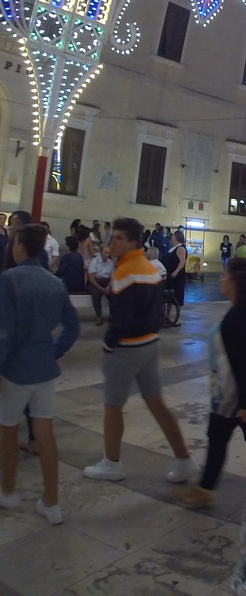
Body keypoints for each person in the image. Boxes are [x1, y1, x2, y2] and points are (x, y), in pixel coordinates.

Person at [82, 217, 200, 484]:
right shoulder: (148, 267)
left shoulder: (124, 271)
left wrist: (109, 343)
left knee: (113, 405)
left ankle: (111, 463)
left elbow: (121, 316)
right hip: (150, 344)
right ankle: (184, 460)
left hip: (127, 348)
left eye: (118, 238)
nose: (112, 243)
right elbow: (157, 311)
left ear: (133, 242)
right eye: (112, 238)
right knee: (157, 403)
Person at [0, 223, 80, 525]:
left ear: (20, 246)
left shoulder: (8, 280)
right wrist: (53, 351)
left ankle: (7, 490)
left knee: (7, 430)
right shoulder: (54, 282)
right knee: (45, 434)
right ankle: (52, 502)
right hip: (45, 369)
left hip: (15, 370)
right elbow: (71, 328)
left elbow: (4, 332)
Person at [181, 258, 246, 507]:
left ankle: (205, 489)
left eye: (225, 276)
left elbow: (241, 364)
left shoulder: (236, 318)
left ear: (237, 282)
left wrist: (245, 404)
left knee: (221, 436)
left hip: (235, 392)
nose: (221, 279)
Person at [159, 229, 187, 326]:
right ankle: (167, 316)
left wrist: (176, 271)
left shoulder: (180, 248)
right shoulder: (173, 248)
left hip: (176, 277)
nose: (171, 238)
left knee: (176, 295)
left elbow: (182, 261)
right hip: (170, 275)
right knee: (168, 296)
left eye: (173, 236)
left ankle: (177, 318)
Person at [86, 241, 114, 326]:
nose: (107, 255)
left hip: (106, 281)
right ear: (101, 252)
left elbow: (113, 277)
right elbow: (91, 278)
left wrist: (108, 286)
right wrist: (101, 289)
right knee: (96, 294)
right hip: (95, 281)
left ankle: (112, 316)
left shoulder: (111, 263)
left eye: (109, 253)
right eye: (106, 252)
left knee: (114, 294)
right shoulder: (94, 261)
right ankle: (99, 317)